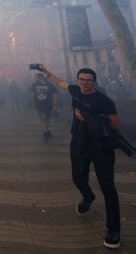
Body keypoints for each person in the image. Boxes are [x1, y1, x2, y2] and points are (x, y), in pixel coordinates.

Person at [35, 65, 122, 249]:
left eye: (88, 80)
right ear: (77, 81)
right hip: (80, 142)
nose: (84, 83)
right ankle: (88, 196)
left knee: (107, 187)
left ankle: (114, 229)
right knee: (77, 177)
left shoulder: (104, 100)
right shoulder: (75, 91)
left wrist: (88, 119)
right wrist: (46, 72)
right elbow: (60, 83)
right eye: (81, 79)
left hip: (101, 146)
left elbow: (115, 125)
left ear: (95, 83)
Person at [29, 73, 59, 142]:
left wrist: (55, 104)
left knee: (47, 118)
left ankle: (46, 131)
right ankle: (45, 133)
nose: (35, 79)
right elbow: (32, 94)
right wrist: (33, 103)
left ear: (41, 78)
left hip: (49, 105)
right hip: (39, 105)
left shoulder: (49, 85)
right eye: (35, 78)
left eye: (36, 78)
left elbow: (55, 94)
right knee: (43, 119)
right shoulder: (34, 85)